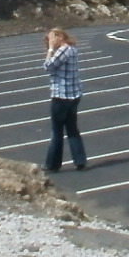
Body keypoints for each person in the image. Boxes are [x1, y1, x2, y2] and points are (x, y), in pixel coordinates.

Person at [42, 28, 87, 173]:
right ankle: (80, 160)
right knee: (72, 128)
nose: (51, 42)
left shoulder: (63, 51)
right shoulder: (72, 49)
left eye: (52, 38)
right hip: (74, 95)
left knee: (57, 130)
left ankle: (53, 164)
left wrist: (50, 49)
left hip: (61, 96)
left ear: (60, 37)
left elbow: (47, 66)